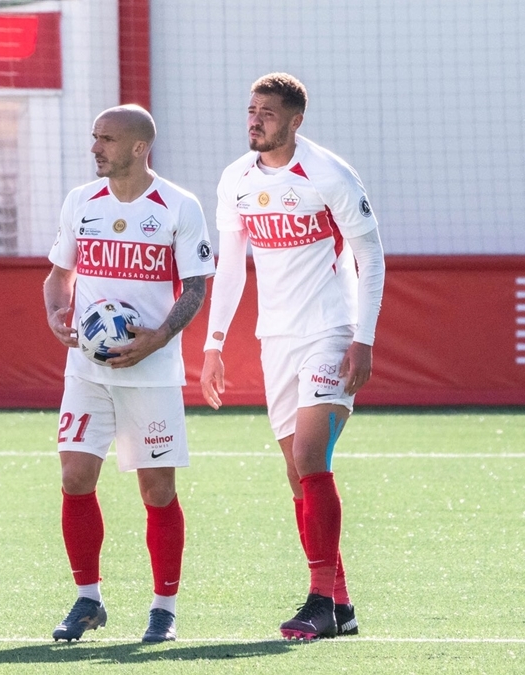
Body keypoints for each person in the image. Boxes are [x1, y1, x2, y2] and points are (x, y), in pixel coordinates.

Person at [200, 72, 386, 640]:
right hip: (275, 338)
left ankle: (318, 601)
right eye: (251, 110)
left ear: (295, 121)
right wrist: (213, 344)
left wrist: (364, 337)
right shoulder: (235, 178)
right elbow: (231, 266)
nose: (255, 120)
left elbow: (370, 255)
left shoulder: (328, 173)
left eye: (269, 113)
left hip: (331, 331)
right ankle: (342, 606)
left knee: (310, 457)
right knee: (296, 473)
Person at [44, 105, 215, 643]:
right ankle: (87, 601)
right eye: (95, 137)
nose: (96, 148)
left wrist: (158, 338)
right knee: (74, 477)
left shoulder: (177, 206)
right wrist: (54, 312)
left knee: (157, 491)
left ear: (140, 148)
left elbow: (195, 287)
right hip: (87, 372)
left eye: (108, 140)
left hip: (153, 372)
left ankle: (163, 609)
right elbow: (59, 275)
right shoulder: (80, 201)